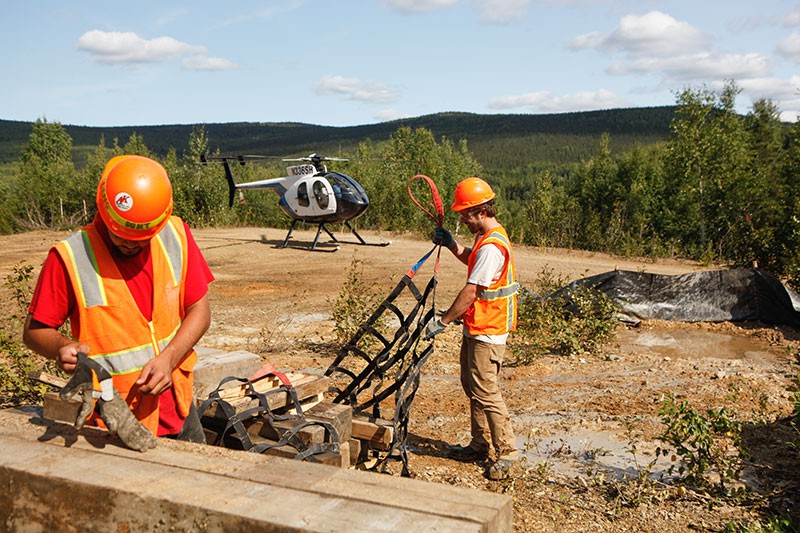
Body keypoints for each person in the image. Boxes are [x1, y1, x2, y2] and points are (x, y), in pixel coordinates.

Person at [23, 154, 214, 444]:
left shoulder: (174, 235)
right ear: (104, 211)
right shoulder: (70, 257)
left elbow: (200, 309)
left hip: (179, 408)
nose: (130, 243)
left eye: (142, 237)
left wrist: (168, 359)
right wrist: (62, 347)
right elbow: (33, 332)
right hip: (112, 421)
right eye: (121, 234)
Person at [424, 177, 519, 480]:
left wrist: (443, 321)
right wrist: (452, 244)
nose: (463, 219)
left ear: (481, 211)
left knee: (486, 391)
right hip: (477, 326)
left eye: (465, 214)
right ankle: (479, 445)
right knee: (473, 387)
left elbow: (472, 290)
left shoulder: (492, 246)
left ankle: (508, 452)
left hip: (488, 331)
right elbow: (472, 260)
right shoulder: (485, 237)